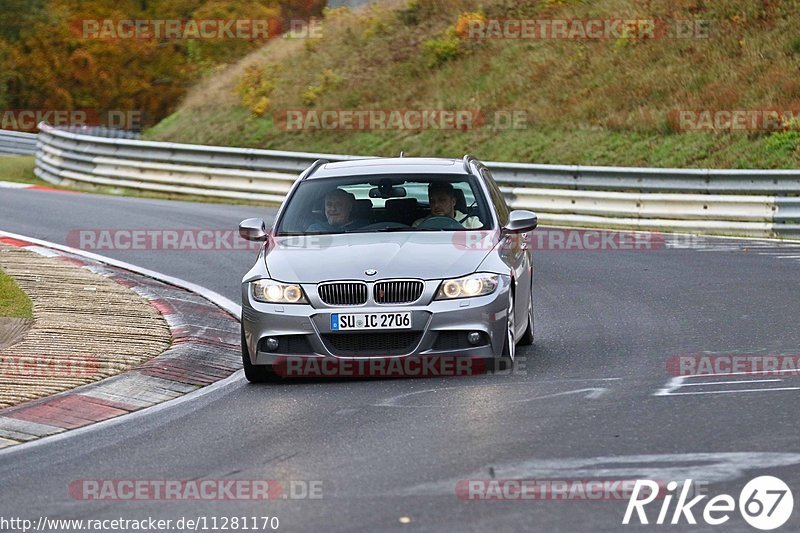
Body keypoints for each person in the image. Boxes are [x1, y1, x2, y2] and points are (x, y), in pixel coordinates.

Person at [413, 182, 482, 229]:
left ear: (453, 202)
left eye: (442, 200)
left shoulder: (472, 223)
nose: (436, 205)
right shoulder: (419, 225)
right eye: (432, 201)